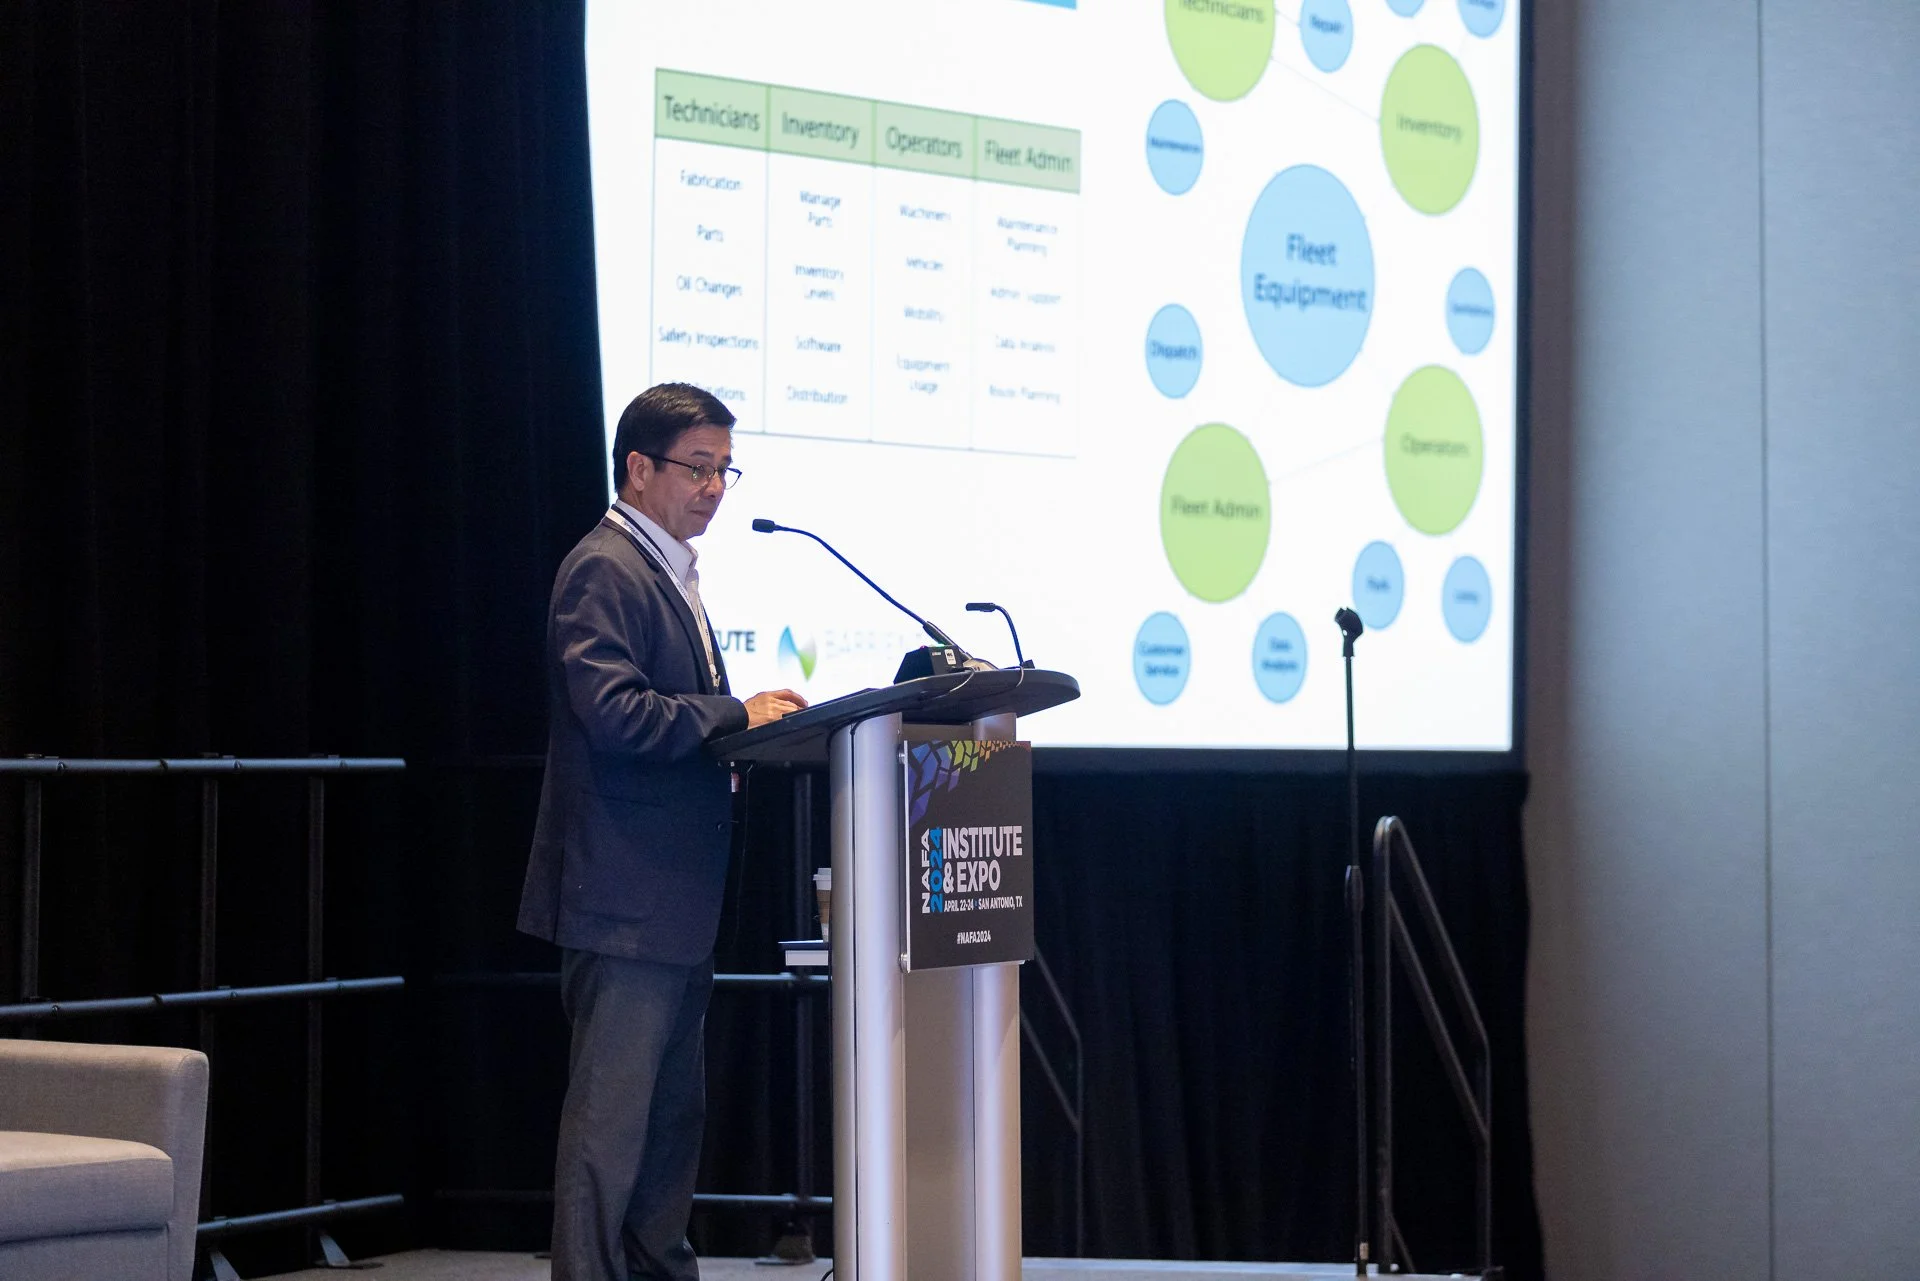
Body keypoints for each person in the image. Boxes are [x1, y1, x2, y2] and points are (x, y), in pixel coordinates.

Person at [517, 382, 807, 1281]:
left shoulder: (669, 566)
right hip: (624, 896)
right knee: (611, 1123)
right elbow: (613, 712)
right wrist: (734, 715)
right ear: (638, 467)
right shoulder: (606, 566)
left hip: (673, 900)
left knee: (671, 1118)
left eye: (725, 468)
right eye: (698, 466)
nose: (716, 487)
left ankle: (654, 1269)